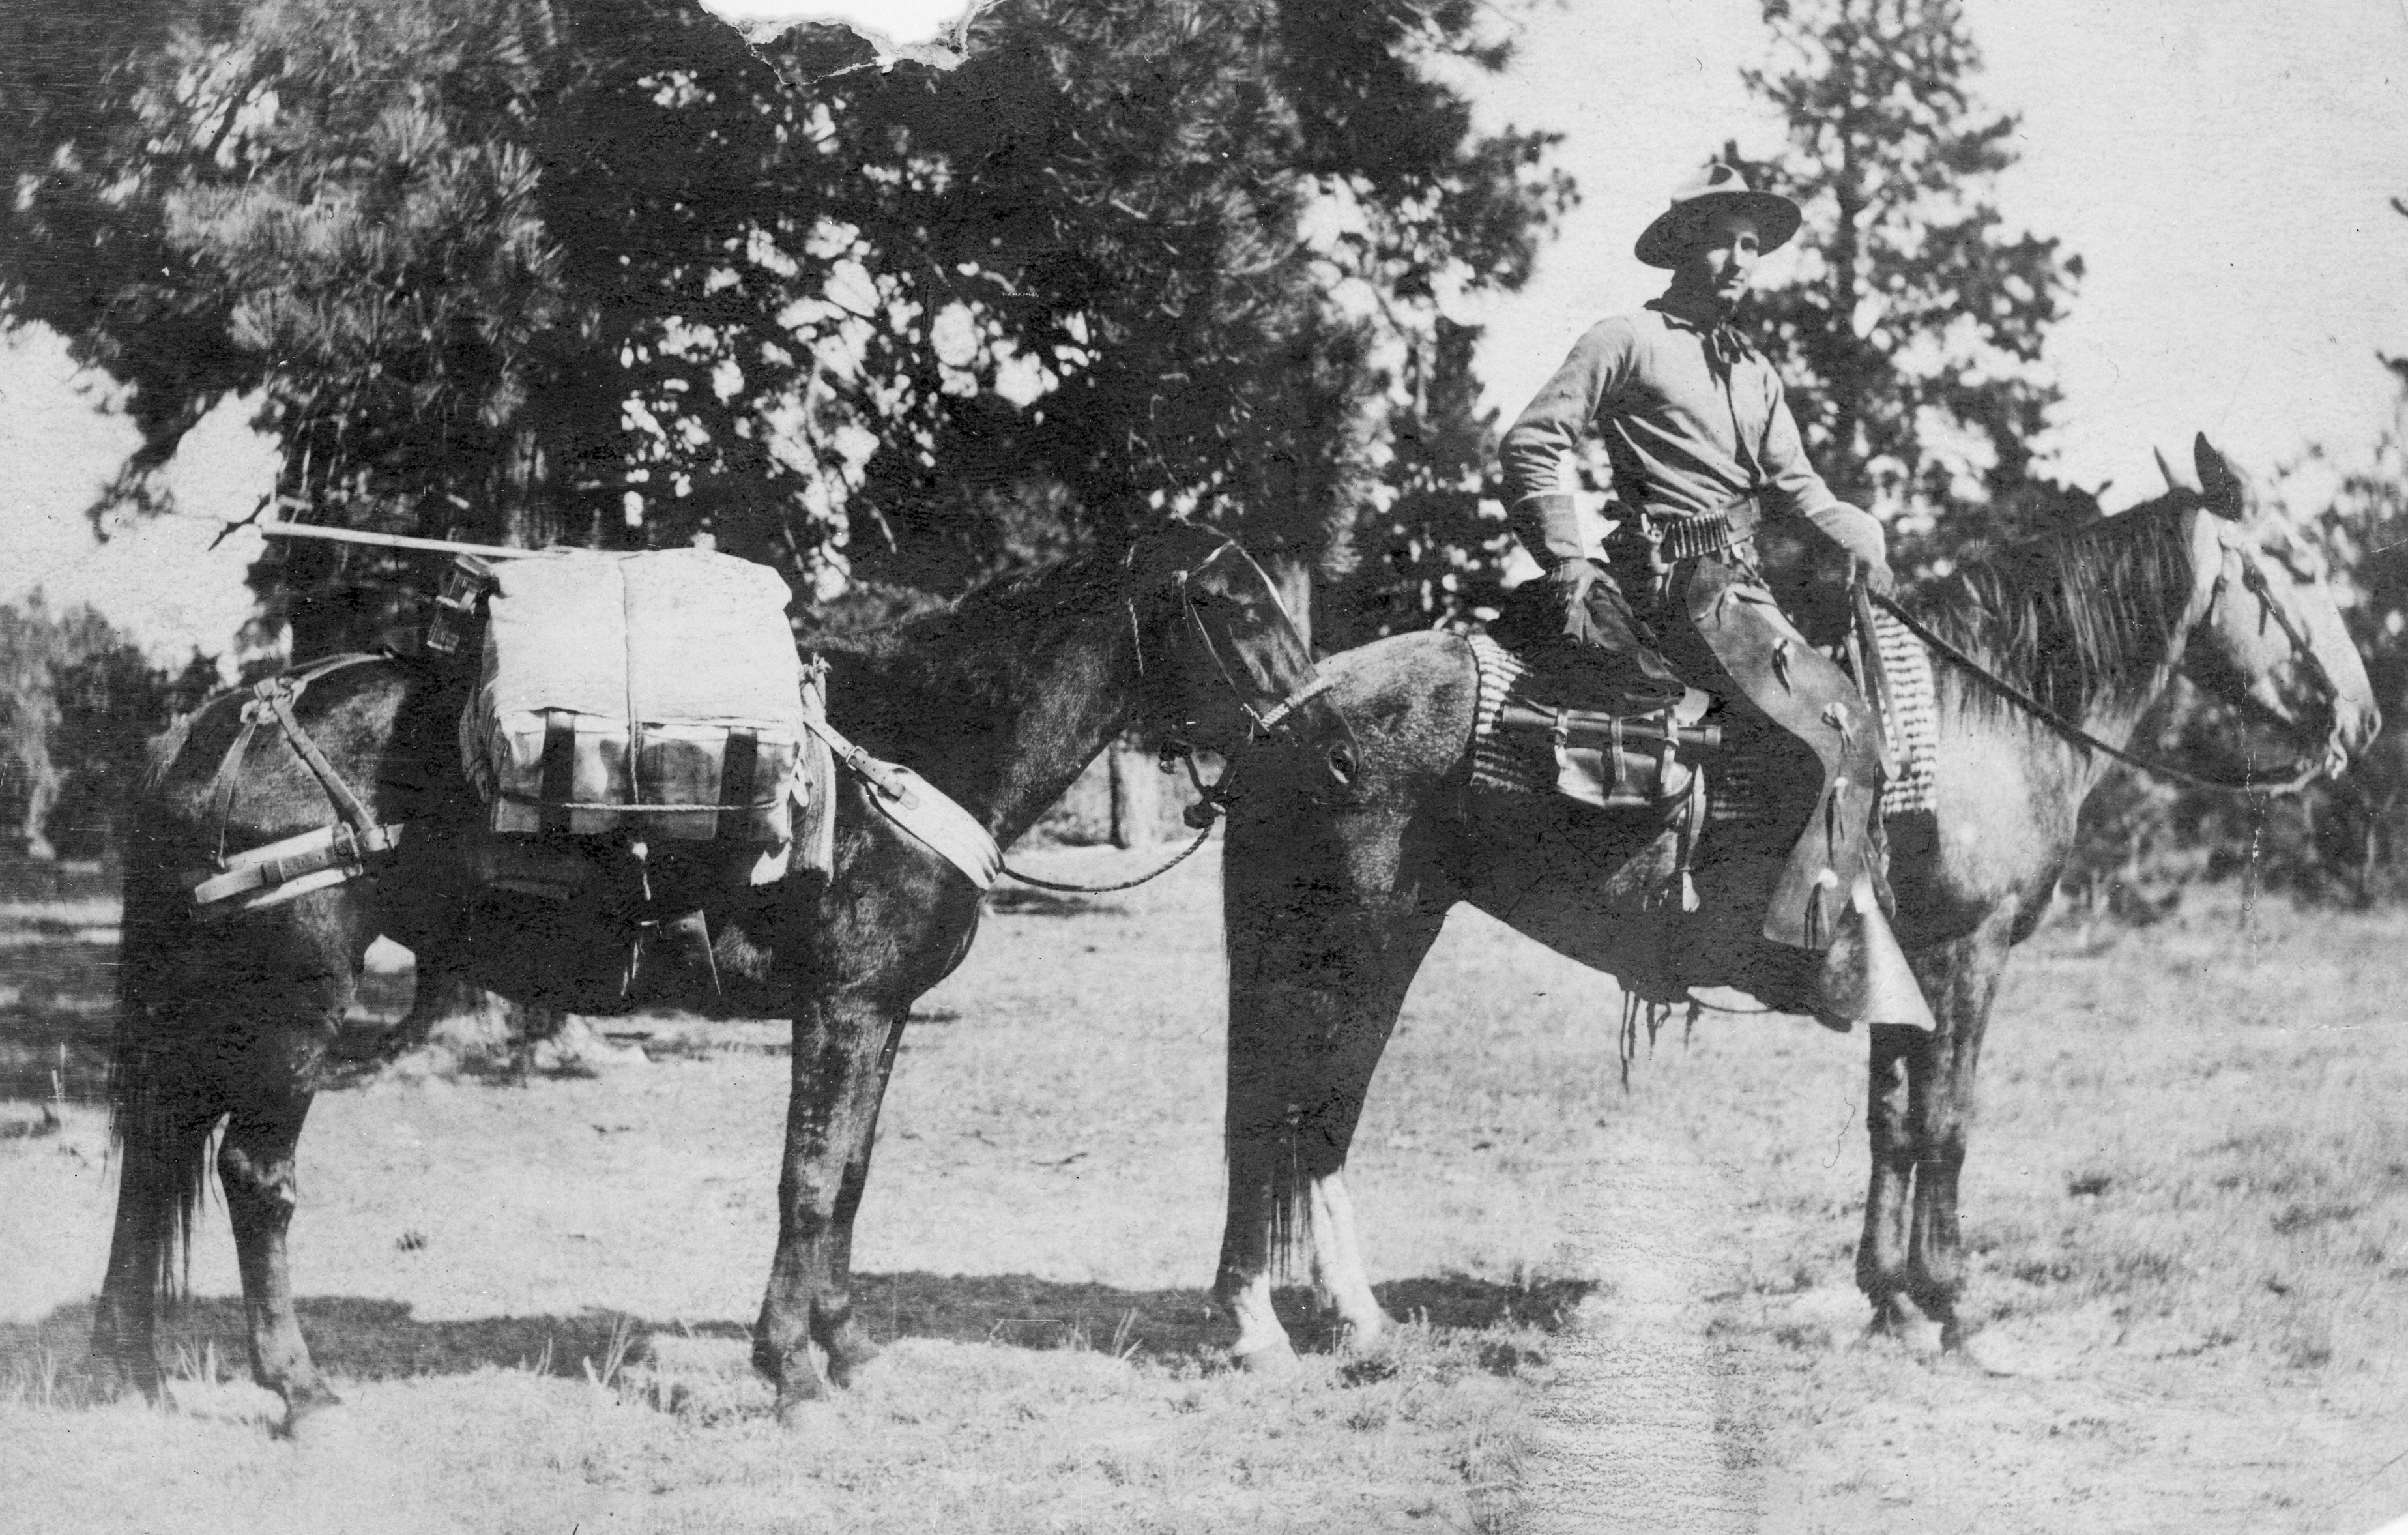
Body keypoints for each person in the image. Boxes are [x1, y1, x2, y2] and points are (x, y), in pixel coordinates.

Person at [1498, 163, 1928, 1026]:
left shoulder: (1754, 374)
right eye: (1722, 241)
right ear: (1684, 247)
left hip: (1742, 587)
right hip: (1678, 585)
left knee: (1841, 734)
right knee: (1848, 732)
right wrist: (1568, 560)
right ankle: (1768, 953)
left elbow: (1801, 489)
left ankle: (1769, 926)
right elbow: (1530, 442)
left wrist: (1866, 534)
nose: (1738, 260)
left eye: (1751, 246)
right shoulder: (1627, 338)